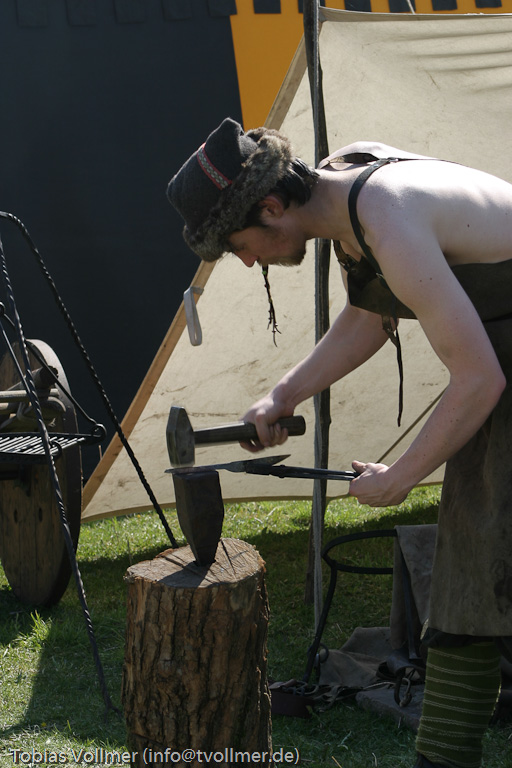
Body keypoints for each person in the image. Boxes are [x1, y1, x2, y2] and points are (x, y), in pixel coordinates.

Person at [167, 117, 512, 768]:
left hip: (494, 376)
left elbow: (478, 378)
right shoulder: (344, 187)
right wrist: (285, 394)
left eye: (239, 245)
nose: (248, 261)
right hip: (499, 371)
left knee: (477, 570)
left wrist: (400, 477)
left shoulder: (387, 214)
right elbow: (372, 312)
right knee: (469, 577)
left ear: (273, 206)